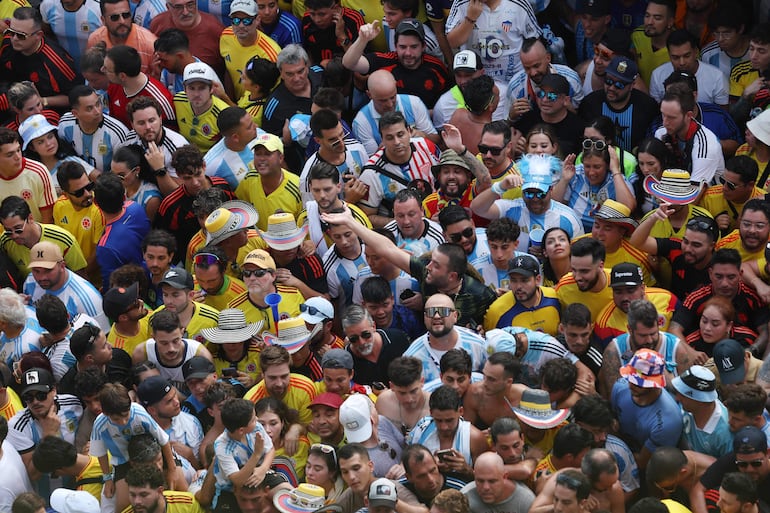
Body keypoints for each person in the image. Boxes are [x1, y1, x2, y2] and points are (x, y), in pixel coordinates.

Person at [321, 207, 497, 328]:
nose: (427, 266)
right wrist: (351, 223)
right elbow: (387, 248)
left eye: (435, 265)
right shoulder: (425, 273)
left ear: (451, 276)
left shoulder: (481, 294)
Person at [91, 382, 176, 511]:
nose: (123, 422)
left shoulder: (139, 414)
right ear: (106, 413)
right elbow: (100, 453)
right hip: (123, 462)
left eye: (125, 416)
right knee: (121, 505)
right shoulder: (100, 425)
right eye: (116, 419)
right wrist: (107, 479)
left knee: (176, 482)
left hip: (151, 457)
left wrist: (172, 469)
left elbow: (163, 440)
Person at [356, 111, 439, 226]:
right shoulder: (371, 174)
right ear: (382, 139)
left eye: (400, 135)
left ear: (409, 131)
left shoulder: (426, 146)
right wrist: (404, 222)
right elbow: (367, 217)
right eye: (389, 138)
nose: (397, 142)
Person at [342, 20, 448, 109]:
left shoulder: (436, 67)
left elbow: (445, 104)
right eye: (402, 47)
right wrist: (362, 39)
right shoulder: (384, 61)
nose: (408, 53)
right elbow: (349, 63)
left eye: (414, 47)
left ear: (423, 46)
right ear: (395, 46)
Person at [611, 349, 683, 469]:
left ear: (654, 385)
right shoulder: (620, 386)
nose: (631, 385)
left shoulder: (668, 420)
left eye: (639, 383)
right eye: (630, 379)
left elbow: (643, 463)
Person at [444, 0, 540, 91]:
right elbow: (452, 42)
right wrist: (470, 18)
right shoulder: (461, 3)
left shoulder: (519, 3)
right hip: (476, 87)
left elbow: (534, 42)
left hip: (514, 83)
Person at [6, 368, 82, 480]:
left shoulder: (73, 404)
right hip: (45, 494)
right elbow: (32, 475)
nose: (35, 402)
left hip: (78, 483)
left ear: (54, 390)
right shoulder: (17, 427)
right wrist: (48, 436)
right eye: (29, 397)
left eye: (41, 395)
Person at [0, 8, 83, 108]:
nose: (14, 39)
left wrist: (41, 101)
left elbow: (75, 97)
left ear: (38, 35)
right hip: (11, 97)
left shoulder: (57, 63)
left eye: (21, 35)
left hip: (44, 110)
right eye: (11, 32)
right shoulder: (8, 43)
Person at [578, 56, 660, 153]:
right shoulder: (590, 103)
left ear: (632, 85)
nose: (612, 88)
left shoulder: (647, 106)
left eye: (619, 85)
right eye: (608, 81)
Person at [551, 139, 635, 233]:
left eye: (597, 167)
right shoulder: (576, 174)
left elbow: (628, 207)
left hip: (604, 236)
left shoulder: (617, 179)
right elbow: (553, 204)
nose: (591, 172)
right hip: (576, 232)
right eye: (587, 166)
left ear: (607, 165)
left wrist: (615, 170)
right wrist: (564, 179)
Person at [349, 69, 439, 156]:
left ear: (396, 87)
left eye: (392, 97)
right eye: (382, 101)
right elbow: (371, 162)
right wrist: (387, 145)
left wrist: (423, 135)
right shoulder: (362, 122)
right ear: (369, 95)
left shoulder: (413, 103)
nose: (390, 104)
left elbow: (437, 141)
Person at [23, 241, 109, 331]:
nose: (42, 277)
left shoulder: (87, 298)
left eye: (48, 270)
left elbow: (101, 337)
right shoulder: (30, 281)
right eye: (36, 271)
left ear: (62, 266)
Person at [407, 385, 489, 480]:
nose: (444, 427)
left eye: (449, 420)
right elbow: (407, 454)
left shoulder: (474, 438)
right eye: (438, 420)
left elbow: (487, 480)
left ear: (461, 411)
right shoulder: (422, 428)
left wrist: (467, 470)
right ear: (431, 413)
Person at [261, 45, 322, 172]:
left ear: (307, 66)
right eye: (289, 74)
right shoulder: (274, 106)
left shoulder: (320, 74)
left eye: (300, 71)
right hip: (304, 164)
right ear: (281, 73)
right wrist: (286, 142)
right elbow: (270, 146)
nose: (296, 78)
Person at [403, 294, 487, 384]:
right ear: (424, 317)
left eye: (443, 311)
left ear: (455, 316)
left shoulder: (479, 345)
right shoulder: (412, 357)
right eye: (431, 312)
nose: (436, 316)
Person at [0, 195, 88, 278]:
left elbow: (81, 278)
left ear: (30, 218)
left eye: (18, 229)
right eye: (8, 231)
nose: (14, 235)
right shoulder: (5, 241)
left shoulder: (63, 240)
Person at [654, 83, 725, 185]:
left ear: (689, 115)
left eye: (671, 117)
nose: (665, 122)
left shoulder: (706, 145)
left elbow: (695, 193)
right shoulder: (661, 133)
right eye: (663, 115)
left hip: (704, 197)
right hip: (673, 190)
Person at [593, 263, 678, 345]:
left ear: (642, 288)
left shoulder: (668, 299)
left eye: (631, 291)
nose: (625, 298)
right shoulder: (605, 324)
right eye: (618, 292)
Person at [132, 309, 214, 394]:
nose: (171, 348)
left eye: (175, 341)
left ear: (182, 332)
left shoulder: (200, 353)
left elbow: (212, 391)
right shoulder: (142, 353)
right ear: (154, 338)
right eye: (164, 343)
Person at [93, 173, 151, 292]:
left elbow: (111, 287)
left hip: (133, 292)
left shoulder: (105, 246)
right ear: (124, 197)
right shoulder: (136, 208)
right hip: (153, 273)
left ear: (95, 202)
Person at [236, 136, 303, 232]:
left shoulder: (297, 187)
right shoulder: (250, 178)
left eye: (267, 154)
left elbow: (305, 224)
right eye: (258, 154)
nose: (262, 159)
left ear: (280, 158)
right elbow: (240, 208)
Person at [336, 444, 427, 513]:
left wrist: (392, 501)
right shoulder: (349, 496)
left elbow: (424, 511)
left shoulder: (390, 487)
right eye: (345, 472)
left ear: (370, 466)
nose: (351, 477)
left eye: (356, 468)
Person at [512, 74, 587, 157]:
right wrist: (515, 148)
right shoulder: (527, 120)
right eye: (541, 94)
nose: (544, 99)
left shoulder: (578, 127)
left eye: (551, 96)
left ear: (566, 100)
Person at [483, 255, 561, 335]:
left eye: (524, 280)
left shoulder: (555, 298)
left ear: (537, 280)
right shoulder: (496, 312)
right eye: (513, 280)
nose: (518, 286)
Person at [103, 45, 175, 131]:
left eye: (106, 69)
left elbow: (170, 135)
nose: (102, 69)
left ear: (122, 76)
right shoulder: (114, 86)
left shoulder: (160, 100)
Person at [649, 29, 729, 106]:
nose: (682, 62)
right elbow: (657, 112)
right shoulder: (657, 75)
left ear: (696, 52)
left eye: (687, 56)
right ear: (669, 55)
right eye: (675, 57)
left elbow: (722, 115)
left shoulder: (717, 77)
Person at [506, 37, 584, 115]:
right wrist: (511, 117)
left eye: (536, 66)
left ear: (548, 58)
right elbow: (505, 122)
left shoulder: (571, 80)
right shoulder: (515, 87)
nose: (533, 73)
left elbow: (583, 119)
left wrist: (570, 110)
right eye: (527, 68)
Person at [149, 0, 225, 80]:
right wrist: (156, 77)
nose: (185, 12)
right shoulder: (158, 24)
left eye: (190, 4)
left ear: (197, 3)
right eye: (178, 7)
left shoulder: (216, 31)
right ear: (168, 7)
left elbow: (228, 72)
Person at [341, 305, 411, 387]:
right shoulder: (346, 359)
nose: (362, 342)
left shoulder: (397, 339)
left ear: (373, 326)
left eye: (366, 334)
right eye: (354, 339)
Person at [19, 115, 96, 187]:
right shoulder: (29, 173)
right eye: (41, 142)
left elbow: (98, 178)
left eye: (50, 137)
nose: (48, 143)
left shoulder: (71, 162)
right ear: (32, 148)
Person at [672, 366, 733, 458]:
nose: (677, 398)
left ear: (701, 401)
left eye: (683, 396)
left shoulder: (724, 433)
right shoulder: (688, 407)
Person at [0, 128, 56, 224]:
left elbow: (49, 218)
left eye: (18, 150)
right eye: (10, 154)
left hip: (39, 234)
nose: (18, 157)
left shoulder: (38, 172)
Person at [701, 156, 766, 236]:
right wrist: (712, 225)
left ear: (750, 185)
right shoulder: (708, 197)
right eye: (722, 180)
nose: (724, 187)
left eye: (731, 185)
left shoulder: (764, 203)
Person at [87, 0, 157, 73]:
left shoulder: (150, 44)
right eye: (114, 17)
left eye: (126, 15)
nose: (122, 21)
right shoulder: (95, 40)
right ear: (103, 20)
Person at [554, 237, 613, 321]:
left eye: (584, 271)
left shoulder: (617, 283)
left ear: (600, 266)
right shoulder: (564, 286)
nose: (577, 277)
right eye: (573, 270)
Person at [173, 63, 228, 153]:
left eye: (202, 88)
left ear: (211, 89)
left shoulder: (223, 114)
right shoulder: (178, 101)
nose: (196, 94)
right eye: (191, 88)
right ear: (184, 88)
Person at [460, 452, 535, 513]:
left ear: (504, 477)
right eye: (480, 481)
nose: (486, 487)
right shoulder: (465, 497)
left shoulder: (525, 501)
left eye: (492, 481)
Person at [125, 463, 205, 512]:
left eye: (143, 495)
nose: (137, 501)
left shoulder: (187, 504)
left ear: (160, 491)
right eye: (132, 495)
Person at [631, 0, 676, 87]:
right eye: (647, 16)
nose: (649, 22)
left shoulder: (682, 47)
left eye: (657, 18)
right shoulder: (637, 36)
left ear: (670, 22)